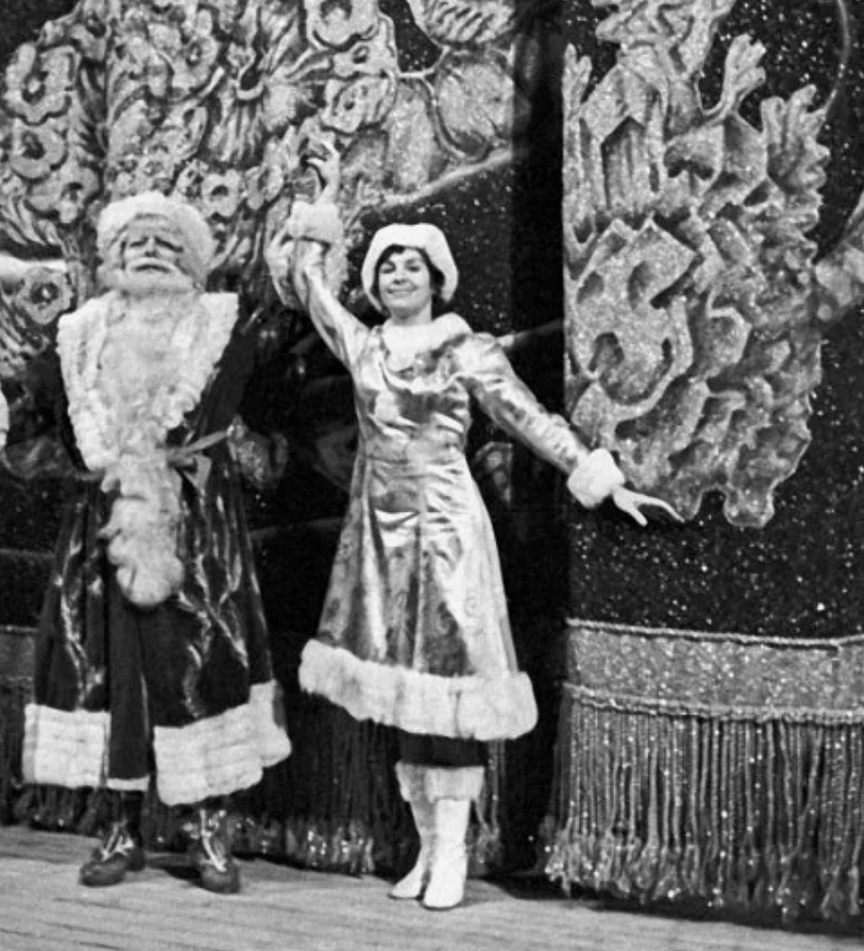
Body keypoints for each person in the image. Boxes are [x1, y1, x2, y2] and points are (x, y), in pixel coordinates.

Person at [269, 148, 675, 910]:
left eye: (411, 267)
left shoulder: (464, 349)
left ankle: (454, 848)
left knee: (449, 691)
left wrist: (599, 476)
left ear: (435, 280)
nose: (398, 276)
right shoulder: (367, 347)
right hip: (380, 536)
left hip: (447, 529)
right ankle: (425, 847)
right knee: (404, 694)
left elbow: (528, 418)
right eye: (387, 267)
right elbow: (312, 291)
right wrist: (322, 206)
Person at [0, 192, 291, 895]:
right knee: (111, 674)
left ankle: (209, 827)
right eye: (136, 243)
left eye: (165, 244)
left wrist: (312, 247)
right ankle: (118, 828)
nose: (150, 253)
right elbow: (25, 402)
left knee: (199, 668)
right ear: (111, 259)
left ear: (192, 261)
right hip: (100, 527)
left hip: (195, 528)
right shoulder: (78, 336)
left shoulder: (224, 326)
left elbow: (288, 324)